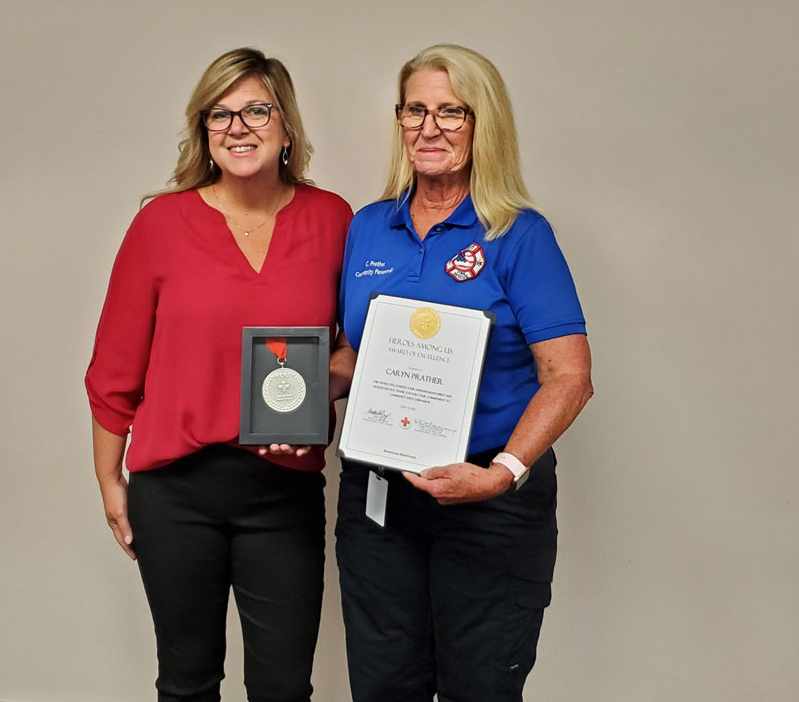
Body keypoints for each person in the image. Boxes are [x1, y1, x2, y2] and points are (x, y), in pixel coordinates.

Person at [85, 47, 352, 702]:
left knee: (283, 687)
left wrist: (318, 389)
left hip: (283, 489)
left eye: (257, 109)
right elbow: (115, 370)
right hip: (174, 492)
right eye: (220, 114)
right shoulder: (160, 223)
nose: (239, 126)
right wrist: (108, 479)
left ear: (287, 127)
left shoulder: (334, 220)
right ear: (203, 132)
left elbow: (354, 349)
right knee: (187, 680)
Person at [330, 44, 594, 702]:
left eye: (452, 111)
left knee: (480, 686)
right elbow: (354, 357)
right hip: (381, 495)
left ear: (484, 124)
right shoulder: (369, 228)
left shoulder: (519, 234)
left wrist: (502, 473)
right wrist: (275, 394)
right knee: (385, 685)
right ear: (399, 120)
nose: (430, 127)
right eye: (416, 109)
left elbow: (568, 375)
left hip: (487, 494)